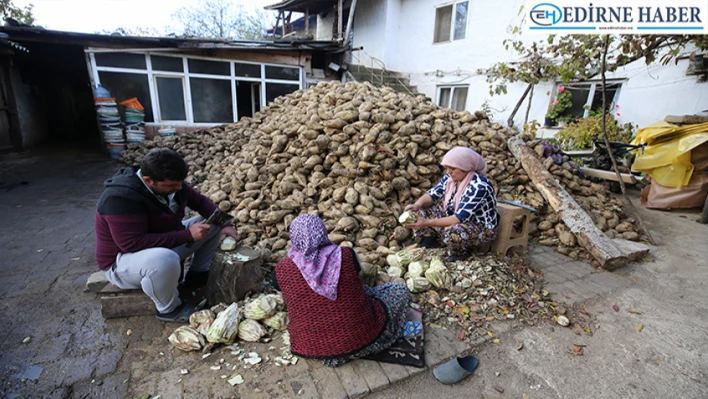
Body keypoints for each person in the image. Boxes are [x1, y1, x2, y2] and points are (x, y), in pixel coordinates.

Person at [95, 148, 238, 322]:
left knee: (211, 223)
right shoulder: (120, 198)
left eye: (180, 183)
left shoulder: (172, 184)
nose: (178, 188)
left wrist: (226, 224)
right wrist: (187, 236)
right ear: (148, 180)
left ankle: (196, 277)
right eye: (171, 186)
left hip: (158, 245)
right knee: (164, 259)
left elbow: (200, 201)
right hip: (122, 262)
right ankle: (169, 309)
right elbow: (131, 244)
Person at [274, 214, 410, 367]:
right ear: (322, 232)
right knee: (398, 291)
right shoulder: (345, 255)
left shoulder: (283, 269)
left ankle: (336, 353)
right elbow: (358, 277)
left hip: (314, 349)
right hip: (364, 339)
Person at [404, 147, 498, 262]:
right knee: (420, 211)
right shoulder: (450, 179)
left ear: (466, 168)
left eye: (453, 168)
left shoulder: (479, 186)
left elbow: (459, 218)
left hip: (480, 227)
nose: (448, 171)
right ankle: (431, 242)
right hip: (454, 217)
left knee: (454, 231)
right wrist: (417, 205)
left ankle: (460, 253)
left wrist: (427, 222)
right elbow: (432, 195)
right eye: (447, 168)